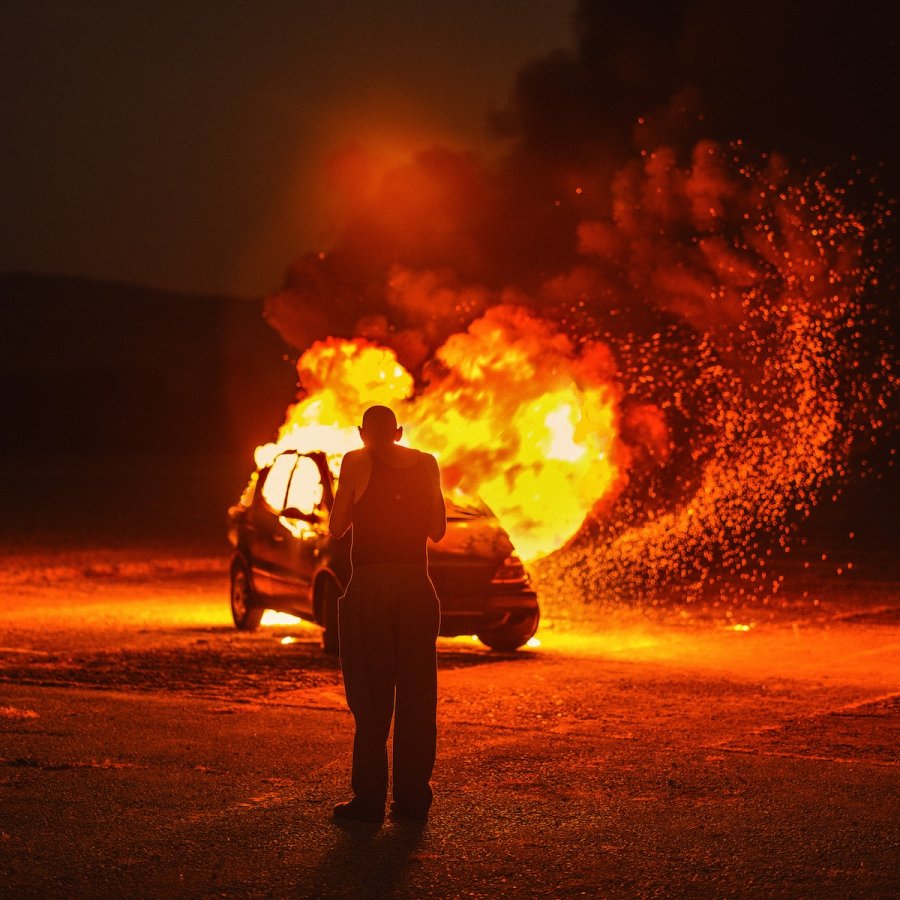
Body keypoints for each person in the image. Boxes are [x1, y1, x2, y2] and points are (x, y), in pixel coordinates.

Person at [328, 405, 446, 824]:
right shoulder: (428, 463)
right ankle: (412, 801)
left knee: (371, 696)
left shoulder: (356, 460)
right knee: (418, 696)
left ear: (362, 433)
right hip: (417, 586)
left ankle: (369, 801)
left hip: (372, 587)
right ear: (398, 432)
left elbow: (336, 526)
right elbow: (438, 528)